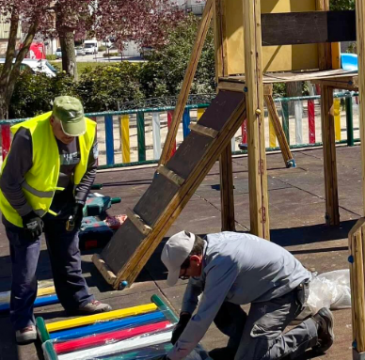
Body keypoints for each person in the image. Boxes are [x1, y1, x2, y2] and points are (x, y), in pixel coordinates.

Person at [0, 96, 112, 344]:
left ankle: (79, 300)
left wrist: (79, 200)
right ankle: (22, 320)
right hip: (24, 207)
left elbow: (90, 168)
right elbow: (8, 181)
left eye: (74, 131)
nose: (70, 137)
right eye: (64, 132)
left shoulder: (89, 130)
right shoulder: (29, 136)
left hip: (63, 203)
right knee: (27, 267)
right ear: (53, 121)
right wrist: (27, 215)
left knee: (69, 255)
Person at [159, 231, 335, 360]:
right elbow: (195, 285)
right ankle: (242, 344)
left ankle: (316, 328)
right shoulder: (204, 249)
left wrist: (172, 357)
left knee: (250, 358)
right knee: (207, 288)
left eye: (183, 274)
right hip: (266, 287)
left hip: (285, 292)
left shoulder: (222, 261)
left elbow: (203, 317)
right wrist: (185, 316)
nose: (186, 278)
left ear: (195, 260)